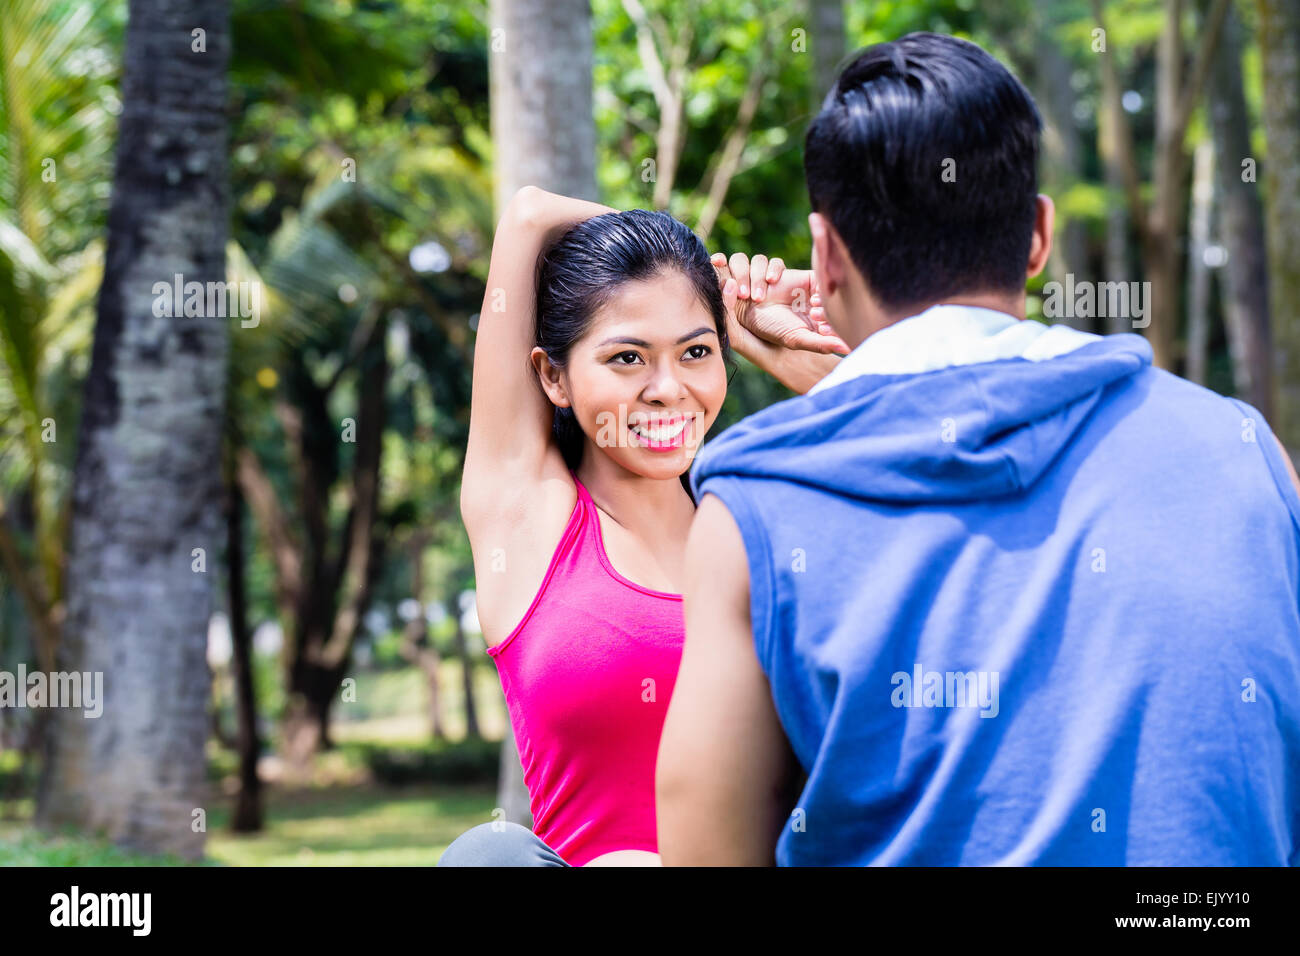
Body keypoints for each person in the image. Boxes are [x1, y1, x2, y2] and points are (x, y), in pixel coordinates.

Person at [656, 31, 1300, 866]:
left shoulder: (759, 512)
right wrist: (853, 390)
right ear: (1037, 236)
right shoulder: (1245, 452)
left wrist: (849, 397)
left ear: (826, 252)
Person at [438, 185, 847, 866]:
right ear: (554, 378)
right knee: (489, 856)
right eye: (627, 358)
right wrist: (699, 266)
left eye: (696, 352)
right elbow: (529, 215)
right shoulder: (528, 517)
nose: (667, 388)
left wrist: (807, 368)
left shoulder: (765, 523)